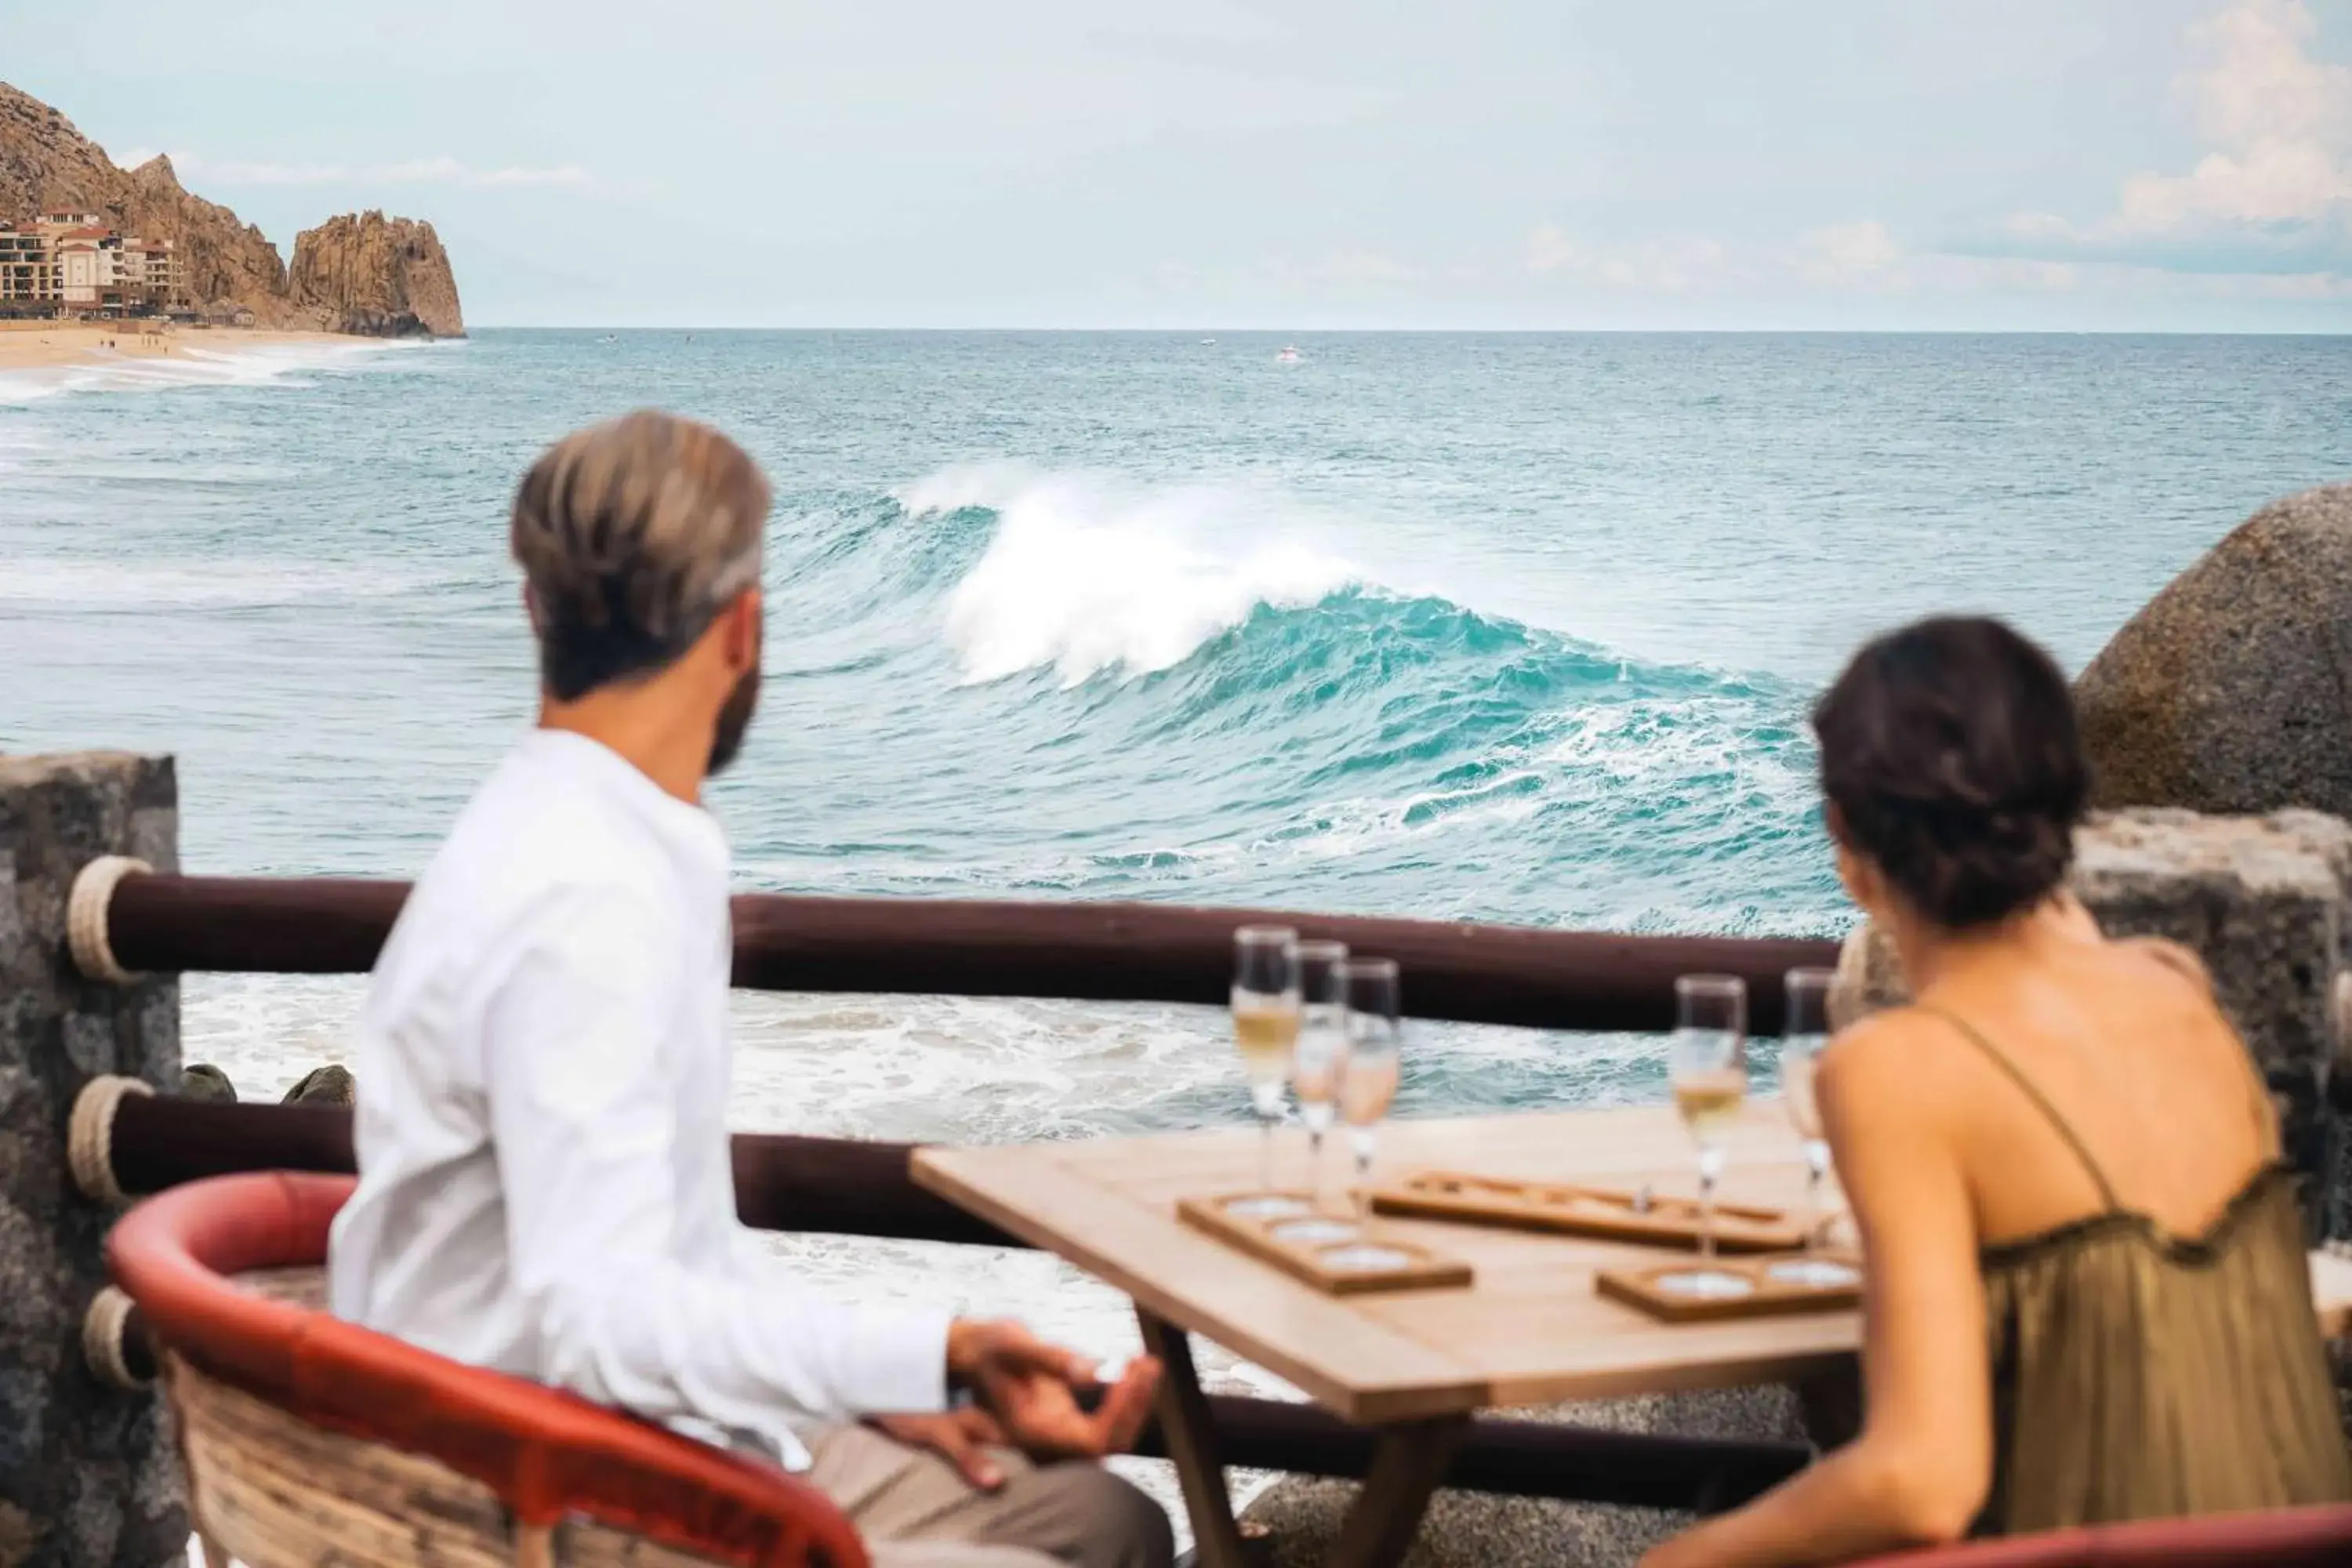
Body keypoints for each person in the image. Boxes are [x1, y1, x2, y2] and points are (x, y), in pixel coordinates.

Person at [328, 411, 1174, 1568]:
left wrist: (893, 1378)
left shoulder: (579, 834)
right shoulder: (588, 897)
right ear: (744, 627)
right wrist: (943, 1351)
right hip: (546, 1509)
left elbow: (674, 1255)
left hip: (610, 1444)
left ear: (537, 613)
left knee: (1106, 1521)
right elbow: (604, 1318)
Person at [1645, 615, 2351, 1567]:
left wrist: (1679, 1561)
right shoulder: (2176, 989)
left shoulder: (1900, 1069)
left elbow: (1922, 1479)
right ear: (2067, 798)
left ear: (1845, 838)